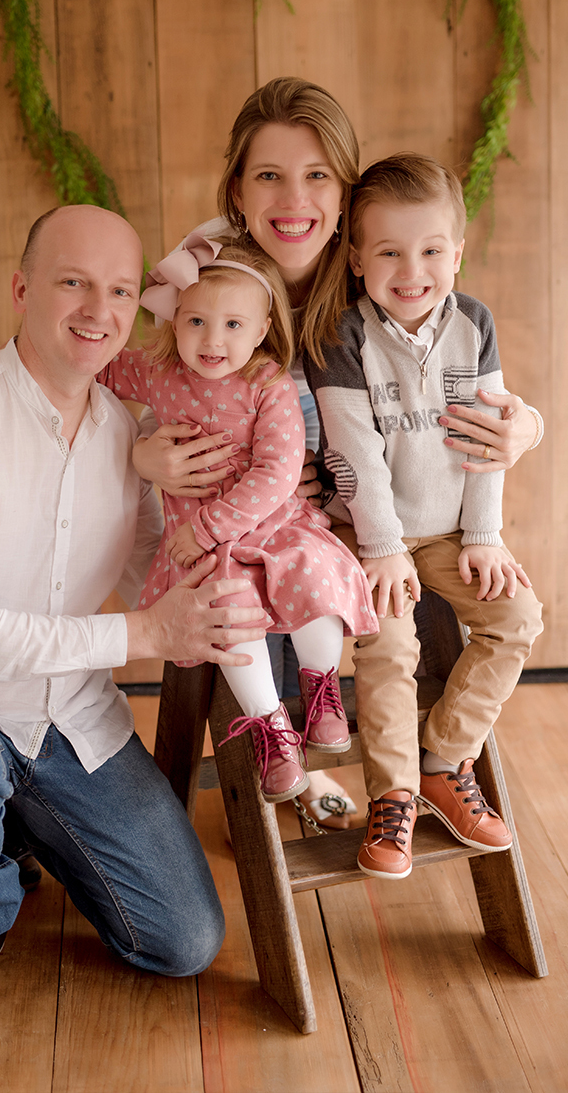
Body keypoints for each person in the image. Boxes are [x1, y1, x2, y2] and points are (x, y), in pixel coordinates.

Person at [0, 204, 270, 1035]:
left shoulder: (130, 435)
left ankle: (18, 815)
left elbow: (155, 567)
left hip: (67, 719)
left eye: (118, 289)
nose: (97, 311)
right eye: (73, 282)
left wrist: (260, 555)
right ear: (21, 289)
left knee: (183, 941)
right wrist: (147, 636)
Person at [133, 77, 543, 826]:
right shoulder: (211, 269)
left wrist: (528, 427)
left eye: (318, 175)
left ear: (346, 194)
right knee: (263, 605)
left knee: (332, 591)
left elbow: (452, 379)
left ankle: (389, 770)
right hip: (231, 517)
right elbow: (158, 380)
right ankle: (293, 780)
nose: (295, 199)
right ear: (236, 190)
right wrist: (142, 458)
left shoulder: (378, 270)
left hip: (348, 517)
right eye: (269, 176)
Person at [304, 153, 544, 878]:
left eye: (432, 250)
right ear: (354, 258)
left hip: (448, 530)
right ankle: (394, 796)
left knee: (518, 616)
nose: (413, 269)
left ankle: (443, 756)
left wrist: (483, 536)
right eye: (389, 251)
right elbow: (353, 453)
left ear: (457, 253)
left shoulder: (474, 324)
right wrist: (379, 547)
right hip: (373, 533)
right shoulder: (342, 336)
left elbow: (488, 437)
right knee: (389, 644)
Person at [98, 234, 377, 802]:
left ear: (261, 326)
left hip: (275, 525)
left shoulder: (266, 383)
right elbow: (97, 368)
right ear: (174, 320)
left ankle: (321, 687)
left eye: (232, 325)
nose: (212, 340)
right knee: (224, 608)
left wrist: (208, 524)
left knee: (313, 569)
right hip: (207, 551)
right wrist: (128, 444)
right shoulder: (158, 373)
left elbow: (277, 473)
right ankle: (272, 729)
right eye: (196, 321)